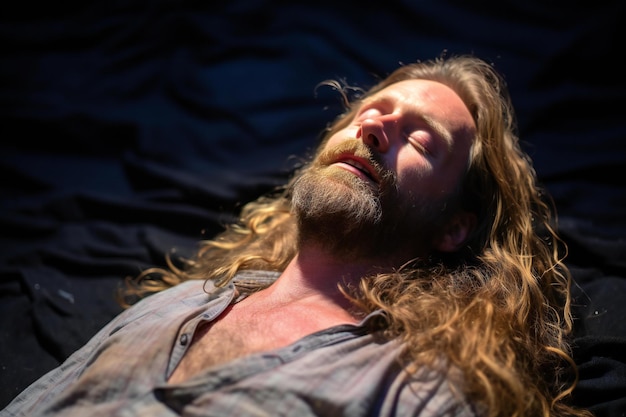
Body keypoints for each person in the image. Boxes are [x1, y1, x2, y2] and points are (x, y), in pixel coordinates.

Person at [1, 55, 592, 417]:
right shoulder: (181, 301)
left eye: (422, 139)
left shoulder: (417, 386)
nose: (375, 125)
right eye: (371, 109)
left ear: (454, 226)